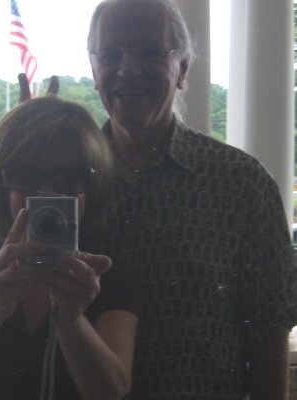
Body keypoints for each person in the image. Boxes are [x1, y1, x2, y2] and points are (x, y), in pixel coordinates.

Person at [87, 0, 297, 399]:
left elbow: (270, 331)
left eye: (149, 53)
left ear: (182, 69)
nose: (127, 69)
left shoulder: (241, 184)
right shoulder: (67, 179)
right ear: (94, 69)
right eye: (111, 55)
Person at [0, 94, 139, 400]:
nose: (47, 192)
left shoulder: (109, 275)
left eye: (69, 177)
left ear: (92, 189)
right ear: (2, 187)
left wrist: (71, 318)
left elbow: (110, 391)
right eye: (26, 175)